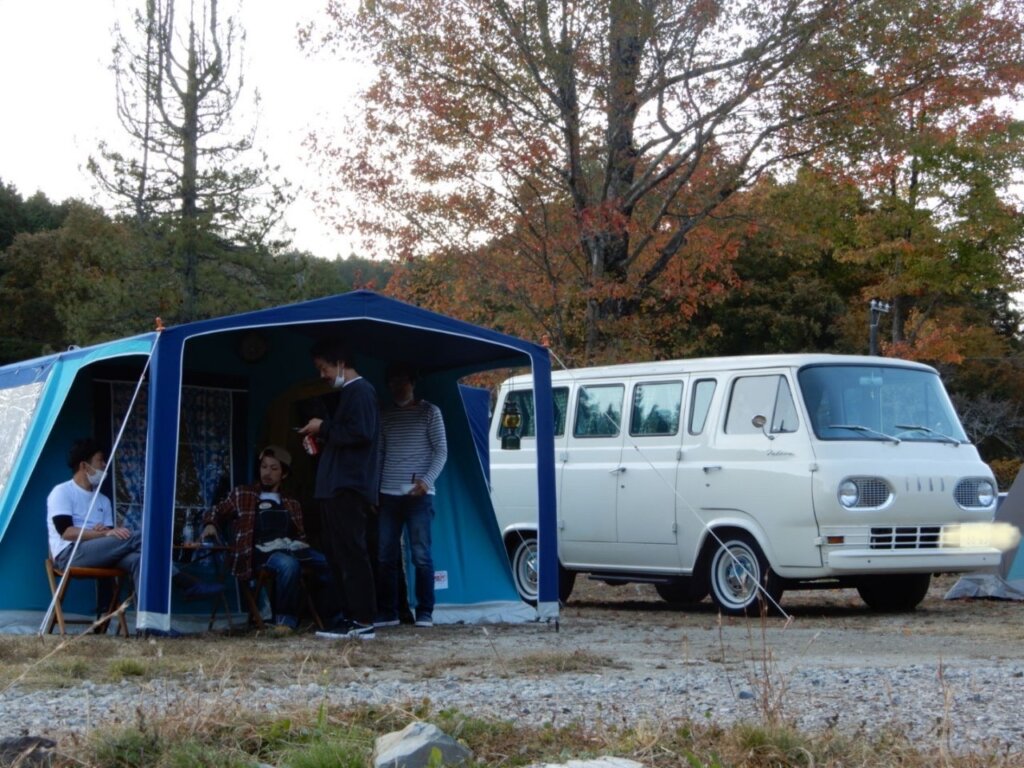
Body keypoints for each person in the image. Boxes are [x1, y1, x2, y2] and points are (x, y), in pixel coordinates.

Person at [47, 438, 222, 622]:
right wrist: (102, 533)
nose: (105, 465)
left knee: (140, 560)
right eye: (100, 460)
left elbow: (111, 535)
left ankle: (148, 625)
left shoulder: (103, 500)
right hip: (69, 555)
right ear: (84, 465)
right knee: (140, 536)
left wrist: (105, 531)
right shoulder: (62, 492)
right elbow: (66, 532)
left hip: (99, 553)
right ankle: (186, 581)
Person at [202, 445, 342, 633]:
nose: (267, 473)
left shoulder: (292, 503)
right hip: (259, 552)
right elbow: (216, 510)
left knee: (329, 563)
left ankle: (335, 619)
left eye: (274, 468)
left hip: (291, 547)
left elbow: (300, 535)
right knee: (288, 565)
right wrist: (210, 523)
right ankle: (284, 622)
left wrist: (301, 545)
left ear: (284, 474)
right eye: (264, 467)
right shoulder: (243, 494)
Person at [299, 340, 380, 640]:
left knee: (351, 553)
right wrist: (321, 438)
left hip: (349, 487)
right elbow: (347, 436)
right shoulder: (349, 393)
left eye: (324, 368)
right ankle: (349, 617)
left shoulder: (361, 391)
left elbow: (362, 433)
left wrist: (323, 427)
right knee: (336, 554)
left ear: (341, 364)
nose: (322, 375)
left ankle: (363, 620)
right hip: (334, 487)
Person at [376, 363, 448, 628]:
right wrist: (374, 489)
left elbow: (441, 451)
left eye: (402, 381)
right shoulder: (384, 415)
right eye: (393, 383)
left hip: (419, 495)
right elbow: (380, 453)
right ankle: (389, 612)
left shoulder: (430, 412)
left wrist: (427, 482)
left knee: (421, 555)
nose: (398, 387)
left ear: (413, 383)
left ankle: (425, 612)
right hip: (387, 494)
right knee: (385, 555)